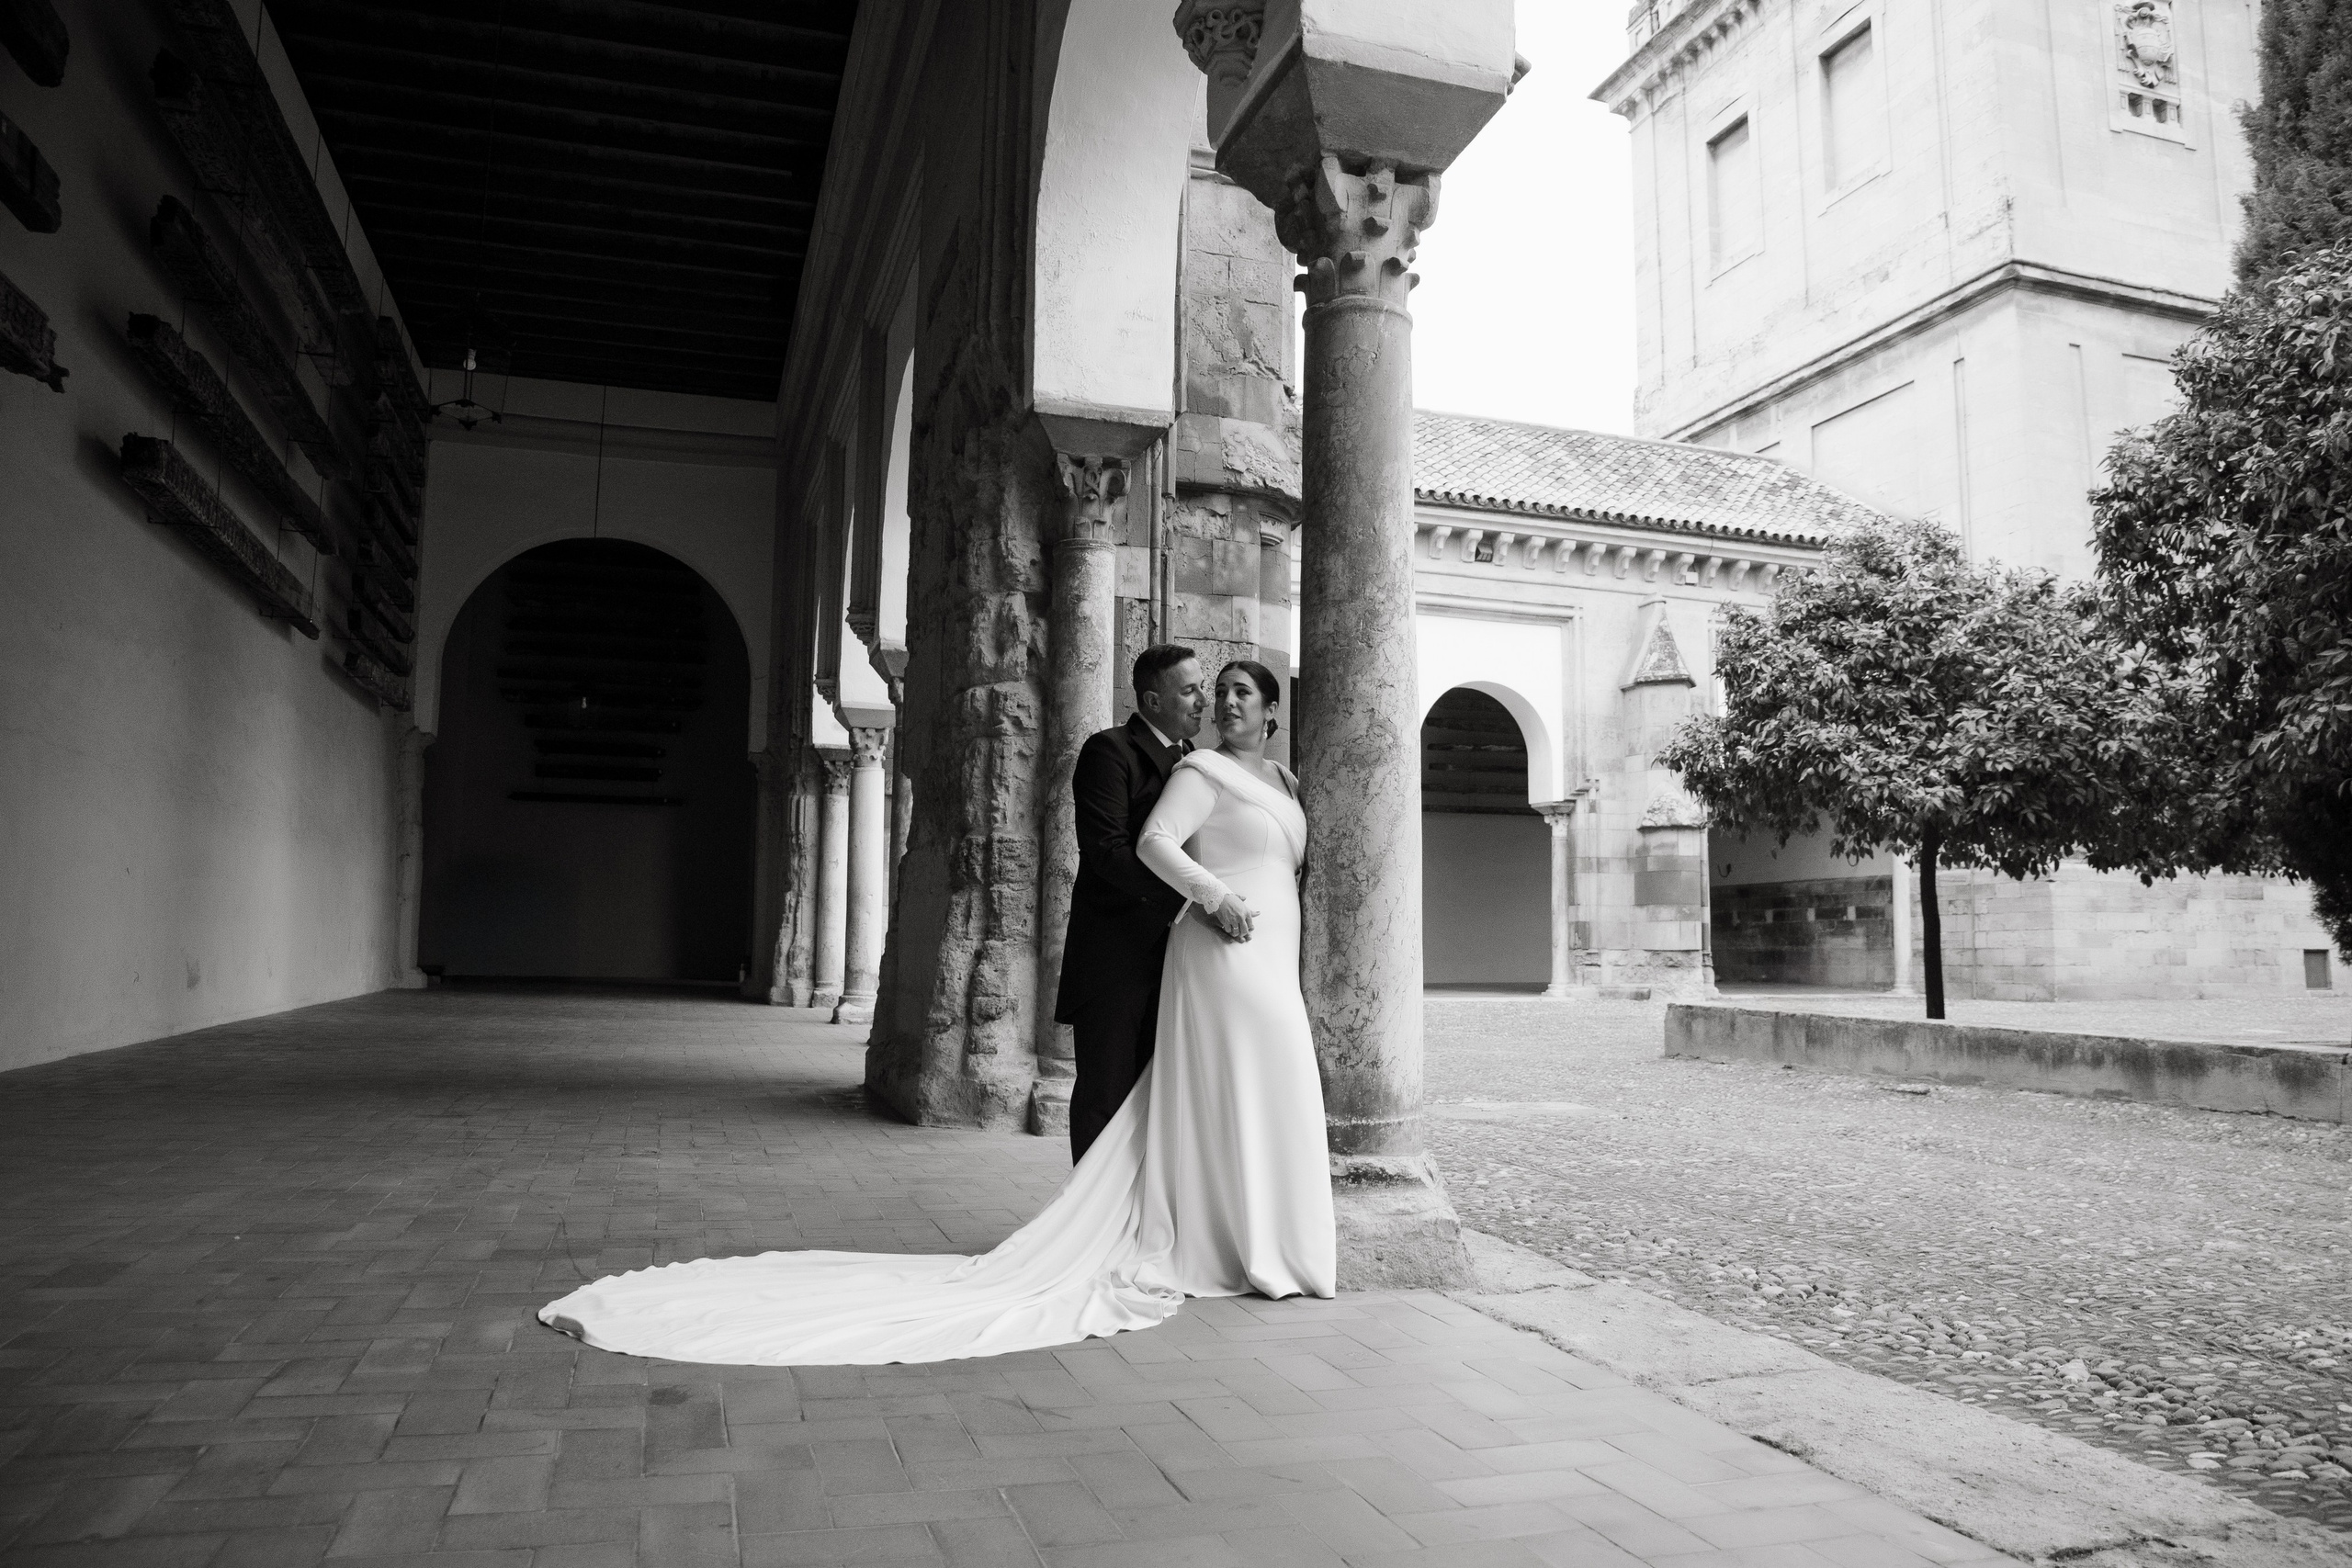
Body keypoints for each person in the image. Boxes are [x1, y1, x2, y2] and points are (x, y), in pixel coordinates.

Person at [536, 660, 1335, 1365]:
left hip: (1257, 951)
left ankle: (1263, 1237)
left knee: (1263, 1087)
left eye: (1235, 691)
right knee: (1169, 1089)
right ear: (1157, 694)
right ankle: (1183, 1236)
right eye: (1207, 688)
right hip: (1208, 943)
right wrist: (1213, 896)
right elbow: (1140, 844)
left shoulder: (1282, 782)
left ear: (1273, 711)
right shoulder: (1176, 765)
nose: (1217, 700)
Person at [1057, 646, 1204, 1161]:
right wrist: (1195, 899)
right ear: (1151, 699)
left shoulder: (1196, 763)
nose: (1202, 700)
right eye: (1189, 690)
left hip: (1177, 958)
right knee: (1106, 1096)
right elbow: (1105, 852)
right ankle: (1090, 1225)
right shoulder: (1109, 751)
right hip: (1113, 961)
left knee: (1160, 1098)